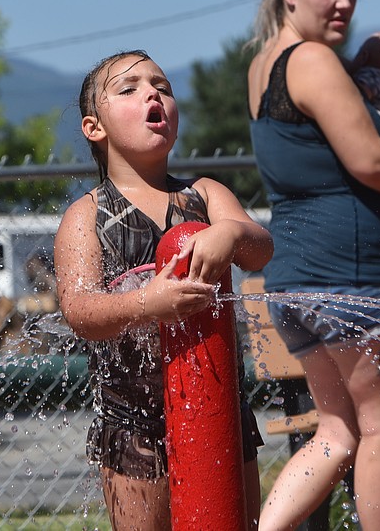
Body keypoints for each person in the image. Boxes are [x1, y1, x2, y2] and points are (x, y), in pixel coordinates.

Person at [246, 0, 380, 531]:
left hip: (297, 280)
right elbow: (369, 161)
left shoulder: (265, 64)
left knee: (338, 431)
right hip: (351, 278)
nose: (345, 4)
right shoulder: (311, 61)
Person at [54, 50, 274, 531]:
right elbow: (79, 309)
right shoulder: (87, 216)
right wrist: (146, 303)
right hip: (132, 422)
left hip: (219, 408)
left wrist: (232, 233)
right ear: (95, 128)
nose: (153, 93)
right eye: (129, 89)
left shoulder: (206, 194)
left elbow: (260, 251)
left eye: (163, 87)